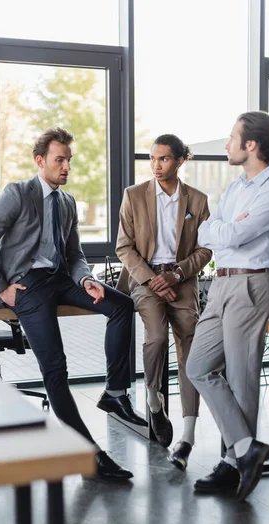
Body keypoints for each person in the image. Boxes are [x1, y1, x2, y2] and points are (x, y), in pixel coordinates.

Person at [0, 127, 148, 481]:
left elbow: (75, 254)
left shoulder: (67, 203)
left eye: (69, 160)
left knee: (122, 306)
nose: (66, 167)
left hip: (62, 279)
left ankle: (114, 392)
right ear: (41, 161)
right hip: (28, 287)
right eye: (59, 160)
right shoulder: (17, 194)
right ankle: (89, 456)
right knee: (56, 369)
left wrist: (86, 279)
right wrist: (1, 289)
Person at [186, 111, 269, 500]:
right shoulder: (236, 188)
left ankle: (233, 464)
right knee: (198, 366)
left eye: (232, 138)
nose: (227, 145)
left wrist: (224, 231)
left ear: (251, 145)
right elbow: (208, 231)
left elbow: (234, 232)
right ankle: (247, 450)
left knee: (241, 377)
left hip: (251, 285)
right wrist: (223, 231)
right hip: (222, 284)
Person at [115, 134, 212, 470]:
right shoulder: (134, 195)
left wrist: (175, 276)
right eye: (153, 159)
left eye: (164, 159)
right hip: (145, 279)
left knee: (191, 352)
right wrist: (153, 279)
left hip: (182, 282)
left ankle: (187, 434)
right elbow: (124, 247)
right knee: (155, 337)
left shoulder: (198, 201)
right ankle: (154, 402)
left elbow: (206, 249)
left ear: (181, 160)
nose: (156, 166)